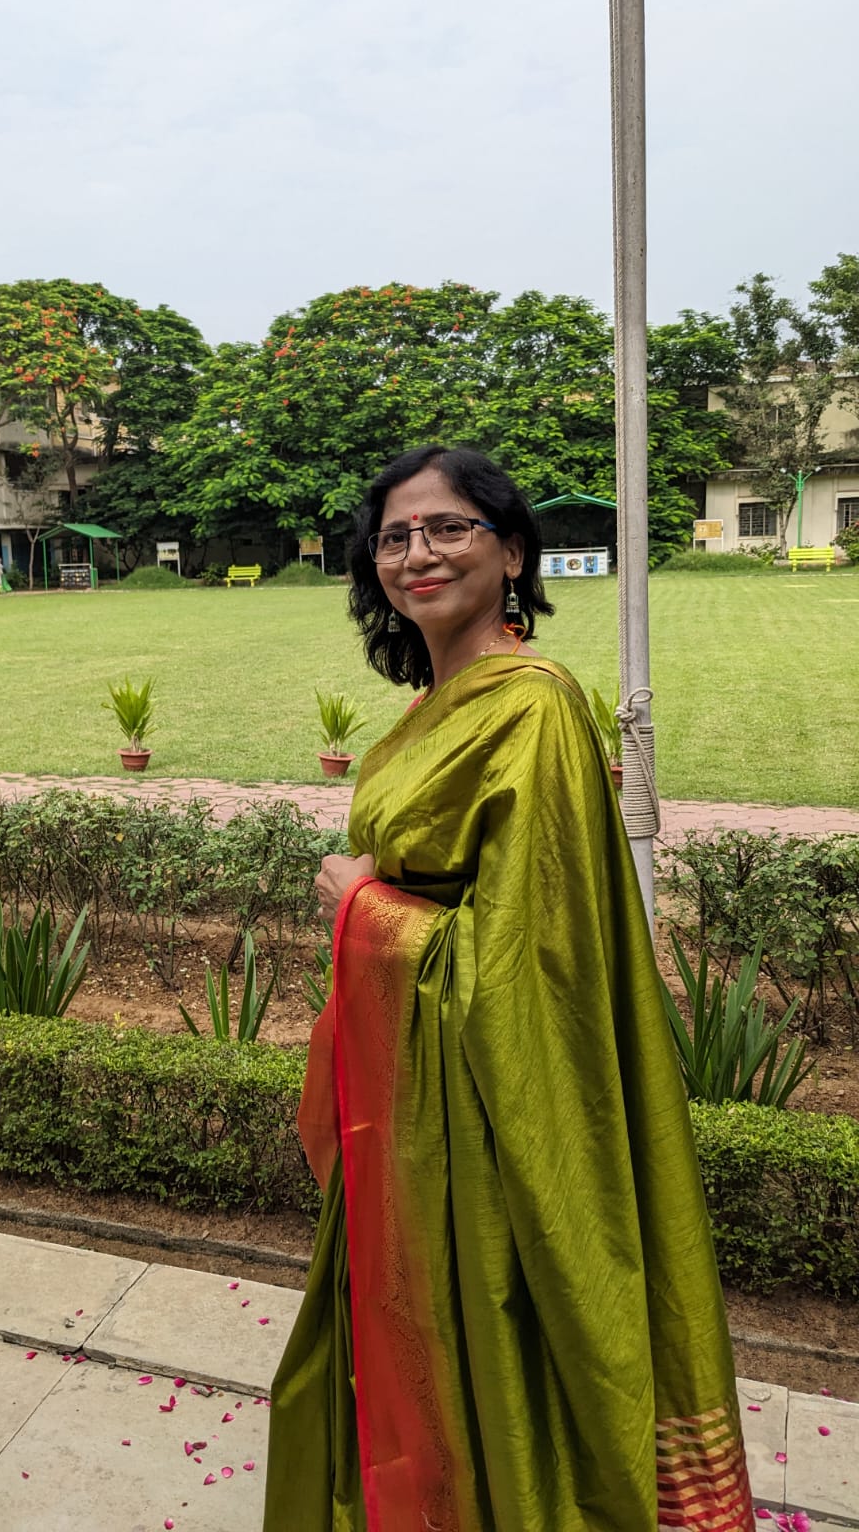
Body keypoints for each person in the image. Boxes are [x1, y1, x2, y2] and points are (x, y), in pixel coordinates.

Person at [263, 446, 753, 1531]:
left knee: (494, 1331)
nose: (417, 553)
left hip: (492, 1122)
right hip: (418, 1099)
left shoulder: (533, 707)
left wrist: (360, 907)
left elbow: (538, 959)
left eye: (448, 528)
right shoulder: (442, 702)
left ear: (513, 552)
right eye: (394, 536)